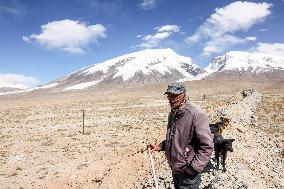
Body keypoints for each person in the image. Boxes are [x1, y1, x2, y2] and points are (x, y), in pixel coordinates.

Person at [148, 83, 213, 189]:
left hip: (188, 173)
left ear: (184, 95)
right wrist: (160, 146)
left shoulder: (196, 114)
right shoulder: (173, 114)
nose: (171, 99)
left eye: (175, 96)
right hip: (176, 169)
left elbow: (207, 146)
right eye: (169, 96)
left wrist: (192, 169)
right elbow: (175, 139)